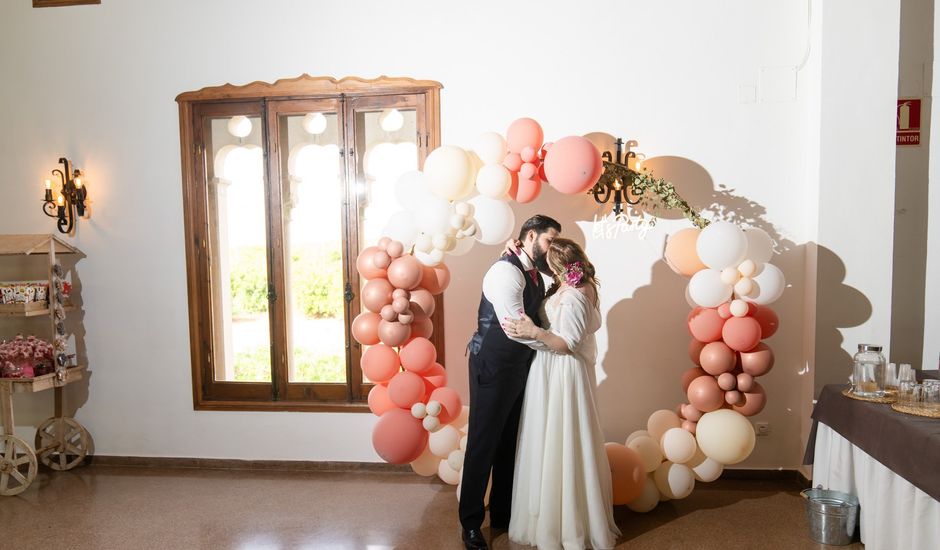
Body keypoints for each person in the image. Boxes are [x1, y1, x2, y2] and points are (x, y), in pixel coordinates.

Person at [502, 238, 621, 550]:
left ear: (556, 267)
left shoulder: (572, 295)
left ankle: (565, 524)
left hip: (561, 372)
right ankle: (565, 513)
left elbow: (566, 342)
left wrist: (534, 331)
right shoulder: (581, 286)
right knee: (561, 438)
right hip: (557, 370)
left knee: (561, 438)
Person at [459, 215, 561, 550]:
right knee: (483, 444)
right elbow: (516, 327)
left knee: (508, 443)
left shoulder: (532, 269)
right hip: (492, 365)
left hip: (518, 366)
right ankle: (471, 523)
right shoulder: (505, 272)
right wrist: (554, 345)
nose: (553, 248)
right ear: (531, 236)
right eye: (549, 241)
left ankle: (502, 513)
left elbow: (550, 286)